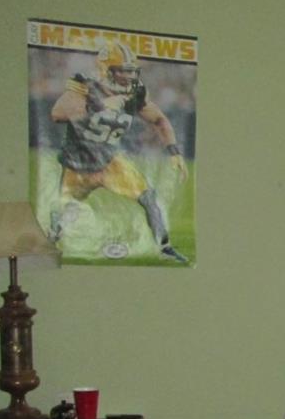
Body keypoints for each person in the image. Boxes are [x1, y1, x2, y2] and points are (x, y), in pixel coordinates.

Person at [48, 41, 189, 263]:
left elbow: (160, 120)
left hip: (109, 161)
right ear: (106, 69)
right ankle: (50, 241)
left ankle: (165, 248)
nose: (128, 76)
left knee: (148, 197)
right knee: (66, 210)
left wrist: (174, 152)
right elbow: (57, 114)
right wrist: (101, 105)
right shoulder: (85, 85)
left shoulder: (134, 92)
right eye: (122, 70)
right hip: (78, 164)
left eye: (131, 71)